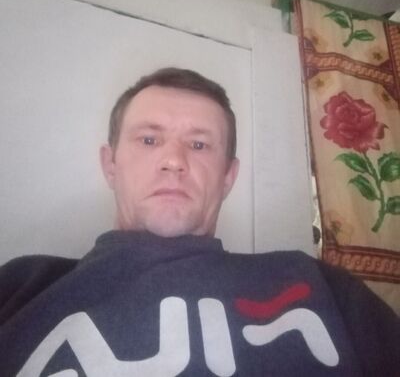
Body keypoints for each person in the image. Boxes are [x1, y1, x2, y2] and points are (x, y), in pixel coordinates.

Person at [0, 67, 398, 377]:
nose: (174, 160)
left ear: (227, 177)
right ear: (111, 165)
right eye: (149, 139)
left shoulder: (321, 285)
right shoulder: (22, 285)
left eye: (199, 144)